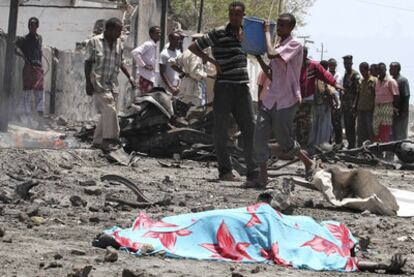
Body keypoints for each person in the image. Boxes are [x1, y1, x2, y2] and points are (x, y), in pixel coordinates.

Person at [94, 203, 407, 274]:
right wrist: (377, 263)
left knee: (192, 229)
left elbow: (337, 255)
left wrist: (376, 262)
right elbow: (331, 257)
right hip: (252, 220)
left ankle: (124, 238)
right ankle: (125, 237)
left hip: (248, 225)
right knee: (190, 226)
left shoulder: (327, 236)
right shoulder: (326, 234)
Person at [188, 1, 259, 183]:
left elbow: (259, 49)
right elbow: (194, 47)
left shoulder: (247, 34)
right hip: (224, 86)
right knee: (220, 130)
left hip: (242, 87)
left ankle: (253, 172)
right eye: (231, 14)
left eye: (237, 14)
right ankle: (225, 171)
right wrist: (213, 62)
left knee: (249, 128)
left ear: (243, 15)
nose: (234, 17)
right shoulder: (218, 32)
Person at [253, 13, 315, 187]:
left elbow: (272, 54)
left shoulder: (295, 45)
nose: (278, 28)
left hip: (287, 98)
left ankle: (307, 161)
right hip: (271, 97)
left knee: (284, 140)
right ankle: (263, 177)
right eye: (277, 25)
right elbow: (271, 73)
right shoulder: (280, 45)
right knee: (259, 135)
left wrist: (266, 32)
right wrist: (257, 56)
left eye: (282, 26)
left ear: (290, 28)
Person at [84, 17, 135, 151]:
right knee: (110, 109)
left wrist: (130, 76)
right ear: (109, 30)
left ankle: (97, 141)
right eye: (118, 31)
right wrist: (88, 83)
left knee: (107, 113)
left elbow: (122, 61)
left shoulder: (119, 43)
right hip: (99, 82)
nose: (120, 34)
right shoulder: (94, 42)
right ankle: (110, 140)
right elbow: (88, 62)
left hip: (112, 83)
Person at [297, 49, 339, 150]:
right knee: (297, 124)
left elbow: (326, 78)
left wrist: (334, 84)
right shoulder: (295, 64)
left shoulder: (313, 66)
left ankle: (307, 148)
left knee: (308, 125)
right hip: (297, 98)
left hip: (309, 100)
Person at [15, 17, 45, 125]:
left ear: (37, 26)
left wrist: (40, 65)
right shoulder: (23, 39)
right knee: (27, 92)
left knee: (40, 92)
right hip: (28, 67)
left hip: (38, 67)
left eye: (34, 25)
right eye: (30, 25)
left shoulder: (39, 38)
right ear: (28, 26)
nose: (32, 27)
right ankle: (26, 118)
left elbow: (39, 51)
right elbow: (14, 47)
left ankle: (40, 118)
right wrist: (24, 57)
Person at [169, 33, 211, 106]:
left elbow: (172, 62)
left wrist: (183, 73)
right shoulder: (196, 54)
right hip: (193, 89)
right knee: (192, 112)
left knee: (183, 110)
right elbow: (195, 73)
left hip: (185, 85)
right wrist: (210, 76)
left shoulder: (186, 52)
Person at [308, 60, 341, 151]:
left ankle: (315, 147)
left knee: (316, 127)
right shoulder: (324, 77)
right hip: (323, 106)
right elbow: (331, 92)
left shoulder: (313, 77)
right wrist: (336, 103)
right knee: (324, 127)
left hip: (316, 105)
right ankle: (321, 146)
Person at [373, 63, 399, 143]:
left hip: (387, 106)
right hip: (377, 106)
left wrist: (394, 108)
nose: (380, 72)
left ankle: (386, 149)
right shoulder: (377, 81)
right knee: (375, 127)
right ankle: (377, 149)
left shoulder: (391, 81)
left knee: (385, 128)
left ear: (385, 70)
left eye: (382, 70)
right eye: (378, 70)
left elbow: (396, 96)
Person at [131, 26, 161, 94]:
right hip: (145, 76)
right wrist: (144, 65)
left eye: (160, 33)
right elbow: (135, 52)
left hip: (150, 77)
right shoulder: (148, 44)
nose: (159, 35)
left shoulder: (154, 45)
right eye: (157, 33)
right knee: (145, 98)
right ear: (151, 34)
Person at [355, 62, 376, 146]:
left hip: (370, 110)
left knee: (370, 132)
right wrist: (355, 108)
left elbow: (376, 95)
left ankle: (372, 150)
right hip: (361, 110)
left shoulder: (374, 80)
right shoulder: (362, 81)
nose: (361, 73)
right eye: (360, 71)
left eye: (363, 71)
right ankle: (360, 150)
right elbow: (358, 95)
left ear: (368, 70)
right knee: (360, 132)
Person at [342, 55, 360, 149]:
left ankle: (353, 146)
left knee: (351, 126)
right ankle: (350, 145)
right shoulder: (346, 74)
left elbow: (358, 92)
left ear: (351, 63)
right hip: (345, 105)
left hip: (352, 105)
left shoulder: (355, 75)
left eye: (348, 63)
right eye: (345, 63)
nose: (346, 65)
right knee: (347, 126)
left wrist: (354, 105)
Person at [390, 62, 410, 141]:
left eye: (392, 68)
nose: (390, 70)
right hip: (393, 113)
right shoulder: (391, 80)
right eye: (390, 68)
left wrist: (403, 112)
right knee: (393, 135)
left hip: (401, 113)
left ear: (398, 69)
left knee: (400, 135)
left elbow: (406, 96)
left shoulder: (402, 80)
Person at [328, 58, 344, 148]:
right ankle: (328, 142)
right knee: (328, 124)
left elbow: (342, 90)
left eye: (333, 65)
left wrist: (340, 103)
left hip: (338, 103)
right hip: (328, 103)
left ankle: (339, 143)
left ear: (336, 65)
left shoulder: (340, 76)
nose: (332, 66)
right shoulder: (326, 75)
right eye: (330, 65)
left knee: (337, 124)